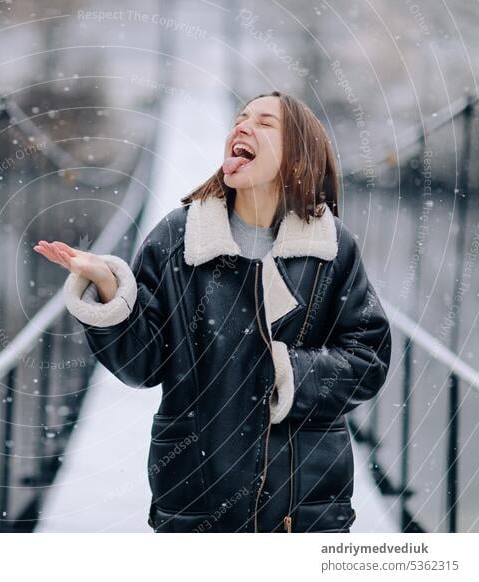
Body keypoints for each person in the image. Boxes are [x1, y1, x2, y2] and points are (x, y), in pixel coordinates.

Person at [33, 91, 392, 533]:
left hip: (306, 505)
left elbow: (368, 357)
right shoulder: (178, 238)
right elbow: (143, 364)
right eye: (240, 118)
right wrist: (109, 289)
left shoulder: (332, 248)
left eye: (264, 123)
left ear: (298, 155)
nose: (242, 126)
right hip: (196, 499)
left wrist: (285, 373)